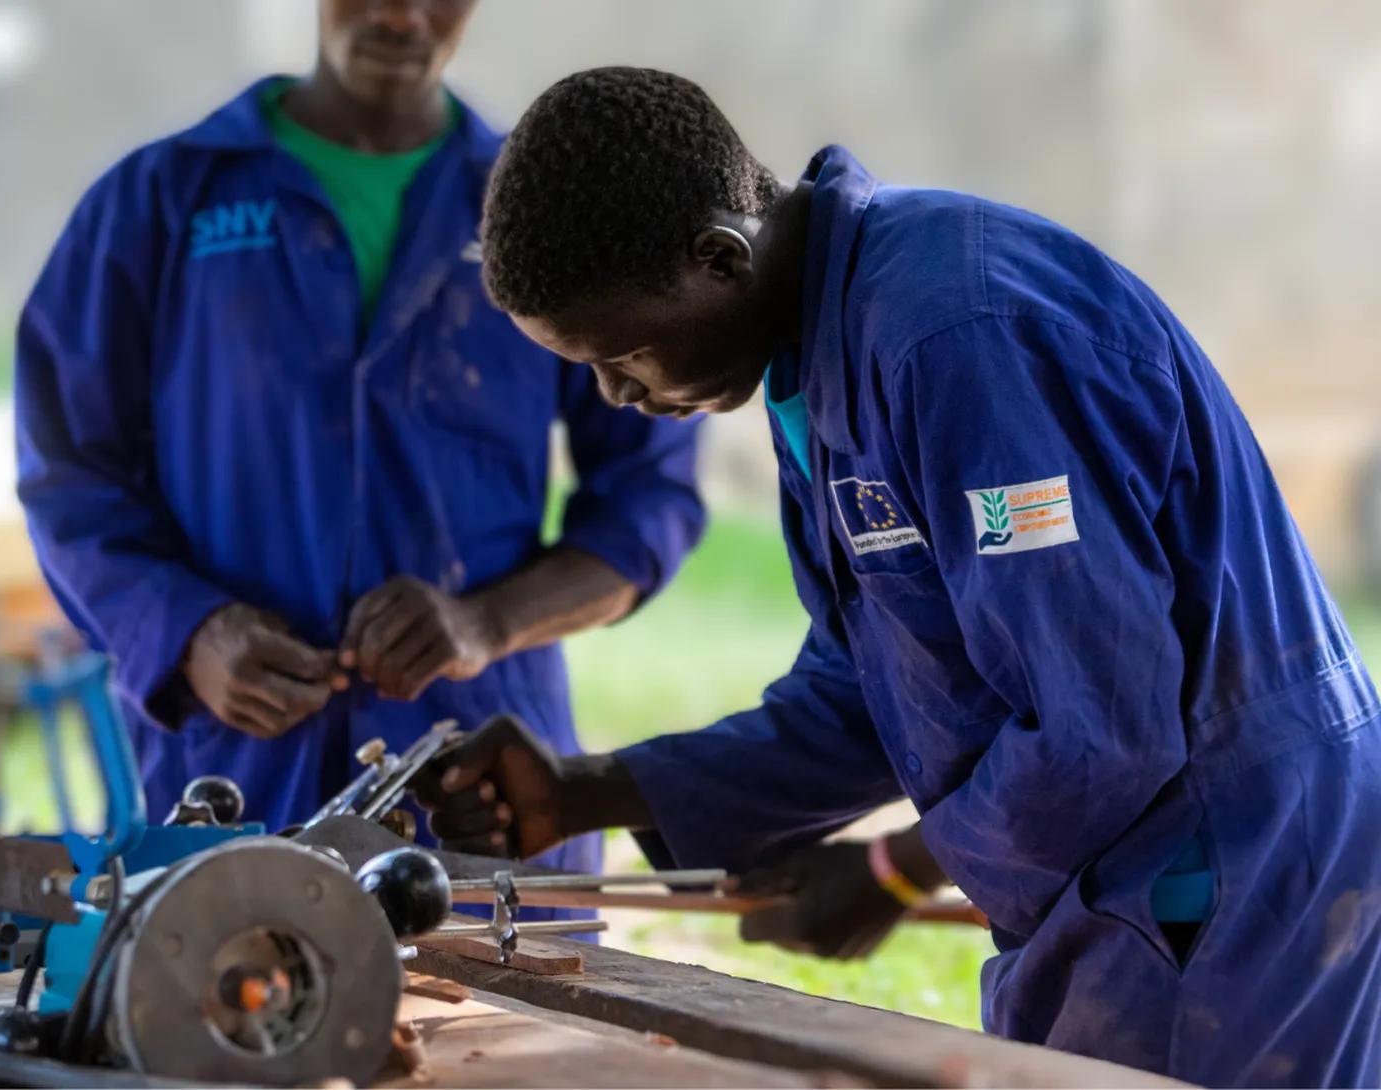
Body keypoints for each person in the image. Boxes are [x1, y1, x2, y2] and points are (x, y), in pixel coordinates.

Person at [412, 66, 1381, 1086]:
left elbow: (1103, 723)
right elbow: (875, 697)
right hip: (1123, 882)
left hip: (1226, 879)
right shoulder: (816, 360)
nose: (618, 397)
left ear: (719, 257)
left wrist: (892, 870)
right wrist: (587, 791)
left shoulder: (958, 340)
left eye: (627, 356)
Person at [13, 6, 705, 907]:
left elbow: (652, 496)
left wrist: (486, 623)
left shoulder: (541, 212)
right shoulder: (159, 202)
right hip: (234, 774)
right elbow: (68, 478)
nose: (400, 12)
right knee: (221, 1008)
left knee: (517, 1037)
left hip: (480, 786)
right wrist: (187, 633)